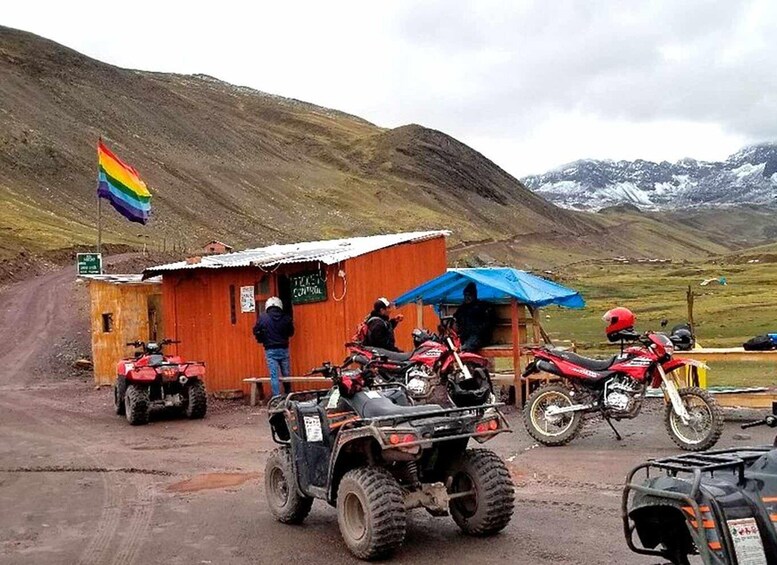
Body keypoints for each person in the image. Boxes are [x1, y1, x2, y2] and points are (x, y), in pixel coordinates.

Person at [253, 296, 294, 396]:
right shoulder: (286, 317)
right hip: (284, 348)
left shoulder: (263, 318)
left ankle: (277, 397)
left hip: (270, 350)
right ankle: (288, 394)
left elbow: (255, 331)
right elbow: (291, 332)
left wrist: (262, 339)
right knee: (286, 373)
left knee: (274, 375)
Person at [453, 282, 496, 352]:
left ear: (474, 295)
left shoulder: (482, 306)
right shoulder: (462, 308)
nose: (467, 297)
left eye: (469, 295)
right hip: (465, 335)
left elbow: (490, 322)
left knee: (475, 338)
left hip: (479, 335)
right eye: (465, 295)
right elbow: (455, 319)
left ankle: (463, 348)